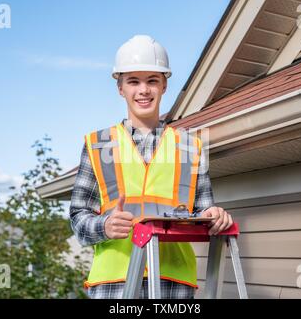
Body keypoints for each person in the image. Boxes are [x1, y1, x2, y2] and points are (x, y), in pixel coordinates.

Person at [69, 35, 233, 299]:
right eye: (133, 81)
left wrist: (215, 216)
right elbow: (78, 219)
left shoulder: (189, 147)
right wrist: (105, 226)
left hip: (172, 283)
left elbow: (204, 213)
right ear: (120, 87)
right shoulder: (98, 145)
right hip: (115, 284)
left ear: (164, 85)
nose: (143, 90)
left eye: (152, 80)